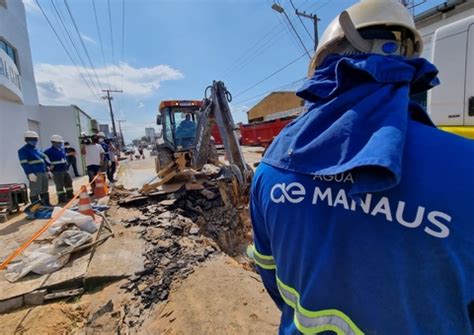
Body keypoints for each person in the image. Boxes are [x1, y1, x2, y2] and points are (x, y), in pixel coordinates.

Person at [249, 1, 474, 334]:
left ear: (325, 67)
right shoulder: (465, 168)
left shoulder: (271, 168)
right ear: (407, 63)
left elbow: (272, 276)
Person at [18, 131, 52, 205]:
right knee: (35, 191)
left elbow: (43, 160)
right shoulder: (23, 150)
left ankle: (46, 205)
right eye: (31, 139)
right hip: (34, 173)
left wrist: (48, 170)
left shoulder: (37, 149)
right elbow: (24, 163)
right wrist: (29, 173)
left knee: (44, 189)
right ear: (26, 139)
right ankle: (36, 208)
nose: (34, 141)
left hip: (43, 172)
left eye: (35, 139)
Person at [44, 135, 73, 203]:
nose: (60, 144)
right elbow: (43, 159)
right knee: (59, 185)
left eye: (60, 143)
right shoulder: (48, 151)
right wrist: (49, 166)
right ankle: (61, 198)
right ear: (53, 142)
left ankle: (70, 195)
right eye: (58, 142)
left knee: (69, 182)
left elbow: (65, 157)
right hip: (57, 171)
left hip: (65, 169)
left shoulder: (62, 150)